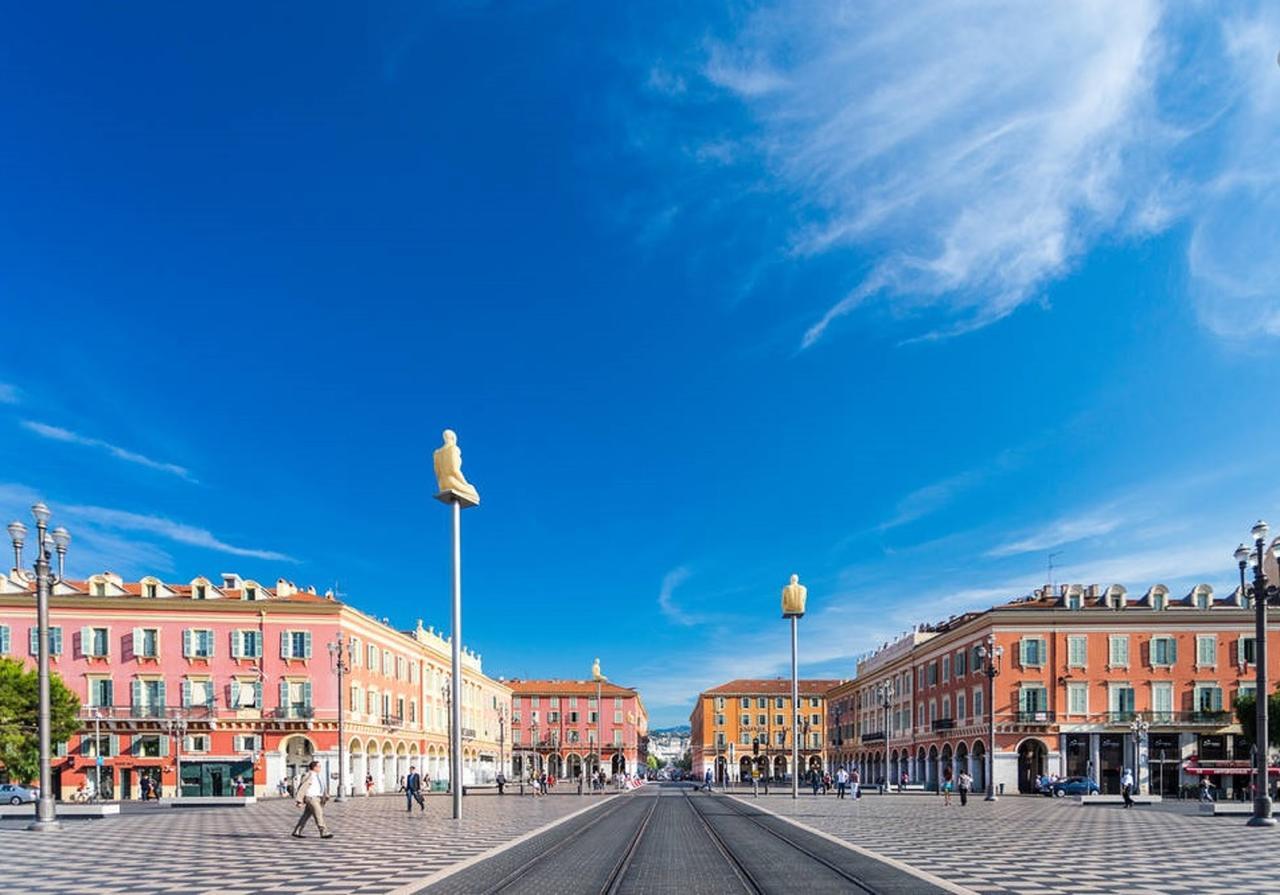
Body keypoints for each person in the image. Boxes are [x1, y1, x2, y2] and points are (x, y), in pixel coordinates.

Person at [292, 760, 333, 839]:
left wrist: (325, 795)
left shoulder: (318, 776)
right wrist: (299, 800)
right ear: (314, 767)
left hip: (318, 798)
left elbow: (320, 786)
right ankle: (324, 832)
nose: (320, 768)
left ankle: (297, 831)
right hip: (311, 797)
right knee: (319, 813)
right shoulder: (308, 775)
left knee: (306, 816)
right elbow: (302, 787)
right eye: (319, 766)